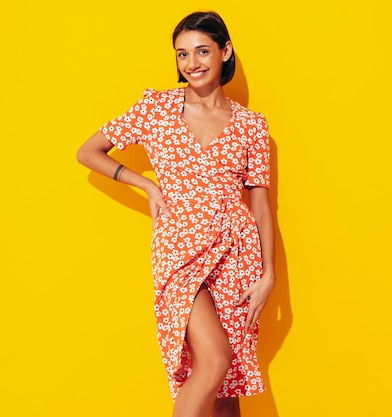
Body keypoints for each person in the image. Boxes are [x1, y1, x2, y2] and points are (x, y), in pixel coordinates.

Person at [76, 11, 275, 417]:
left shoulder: (252, 126)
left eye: (202, 51)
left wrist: (268, 273)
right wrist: (146, 183)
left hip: (237, 255)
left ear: (225, 51)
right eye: (182, 54)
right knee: (215, 359)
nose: (192, 63)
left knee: (227, 383)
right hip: (179, 249)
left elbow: (260, 205)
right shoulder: (157, 107)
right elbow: (87, 151)